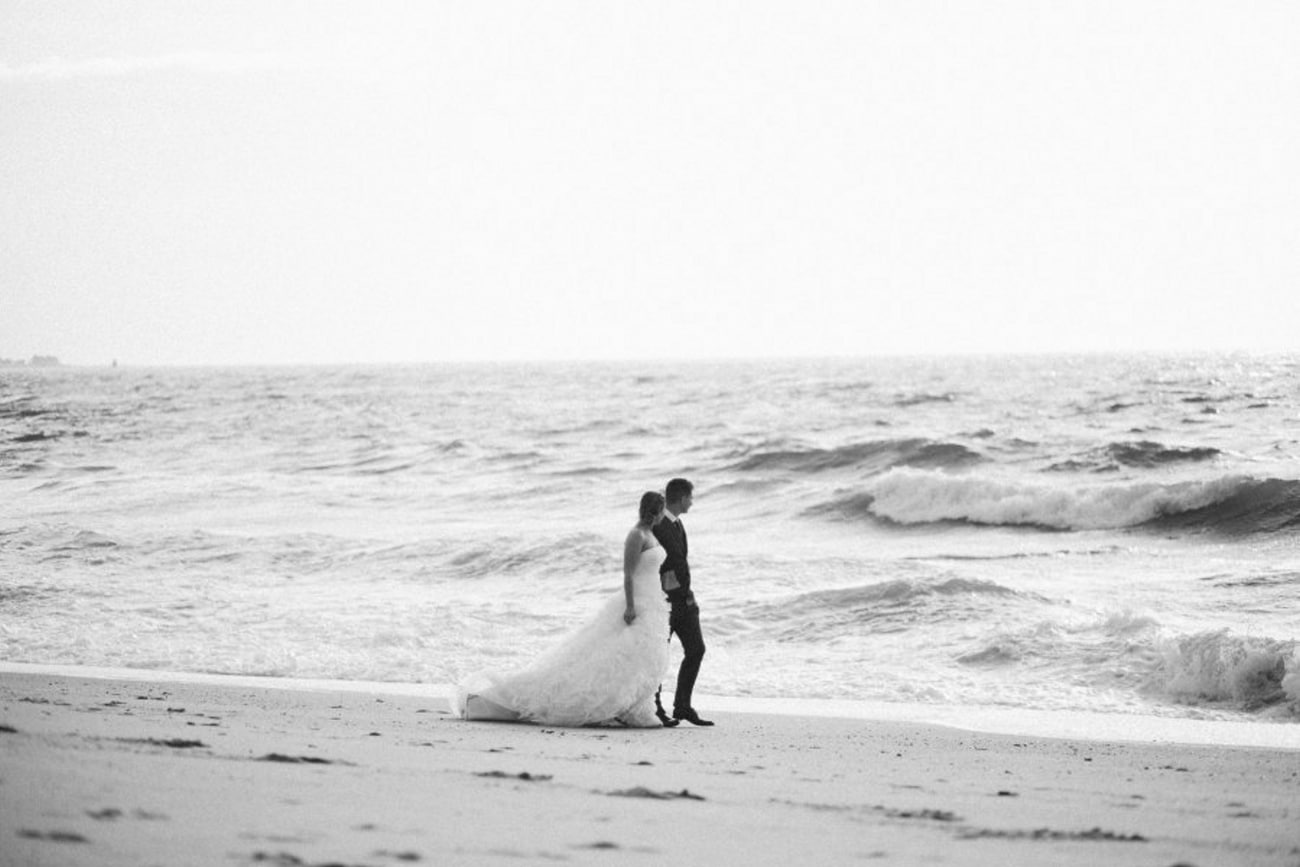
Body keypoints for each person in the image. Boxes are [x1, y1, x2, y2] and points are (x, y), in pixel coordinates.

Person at [452, 492, 674, 727]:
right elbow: (628, 573)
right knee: (619, 654)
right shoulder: (636, 535)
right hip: (637, 601)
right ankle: (618, 707)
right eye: (661, 511)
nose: (663, 516)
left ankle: (636, 709)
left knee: (644, 656)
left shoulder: (651, 534)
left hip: (653, 600)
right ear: (655, 511)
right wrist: (630, 606)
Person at [653, 477, 713, 726]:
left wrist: (687, 592)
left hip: (683, 599)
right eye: (690, 497)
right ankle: (654, 708)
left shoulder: (677, 523)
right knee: (657, 655)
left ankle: (683, 706)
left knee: (696, 649)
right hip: (664, 601)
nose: (692, 502)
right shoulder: (658, 524)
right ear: (680, 498)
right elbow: (663, 563)